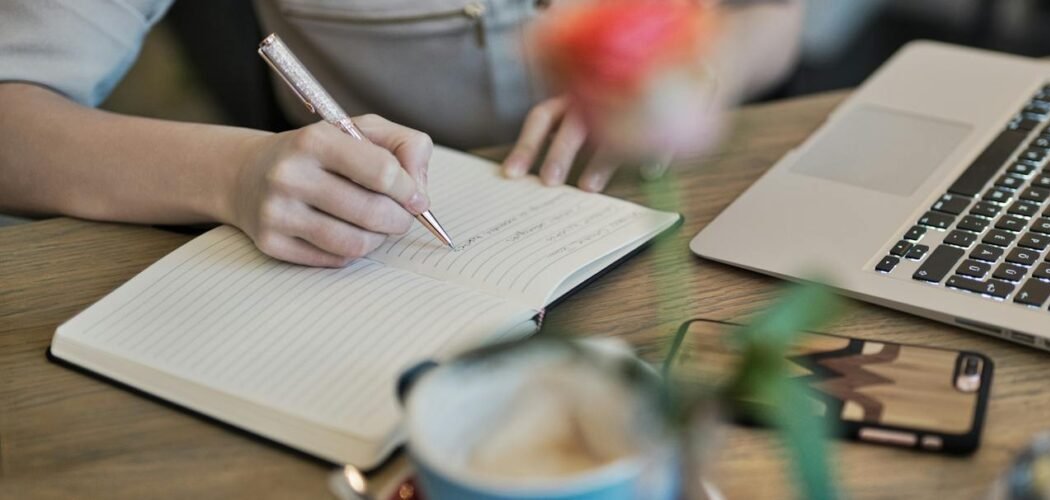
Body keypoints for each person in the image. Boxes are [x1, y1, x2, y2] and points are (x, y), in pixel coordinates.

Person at [0, 0, 803, 267]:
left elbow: (773, 14)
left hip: (693, 211)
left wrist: (705, 67)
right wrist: (232, 172)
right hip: (372, 258)